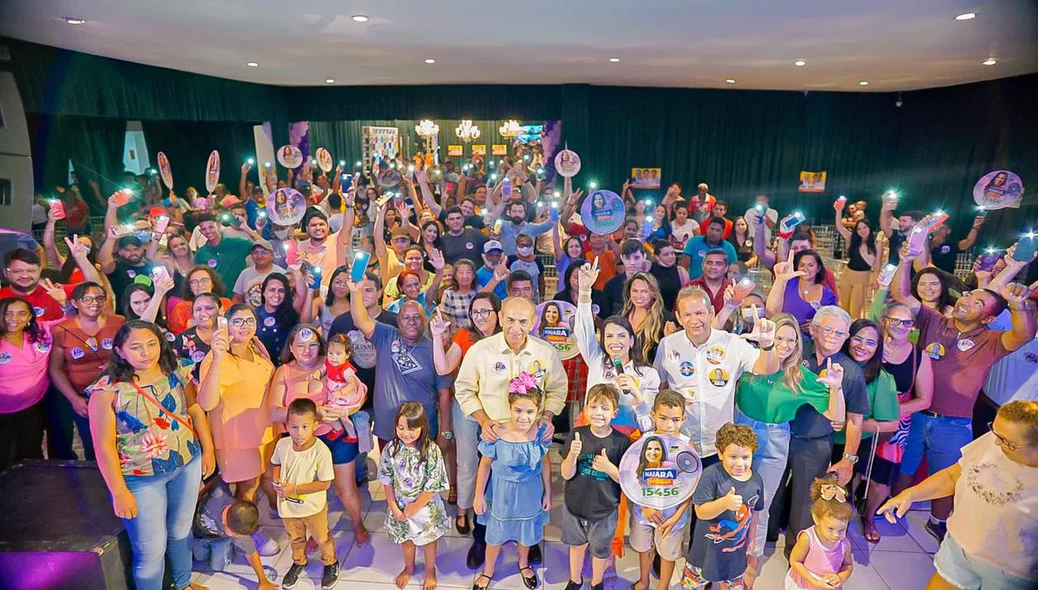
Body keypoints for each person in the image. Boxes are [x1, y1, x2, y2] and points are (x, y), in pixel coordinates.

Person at [890, 244, 1036, 542]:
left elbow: (1024, 334)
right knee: (904, 467)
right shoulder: (935, 320)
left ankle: (937, 521)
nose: (967, 300)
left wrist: (1018, 305)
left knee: (947, 476)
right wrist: (905, 260)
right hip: (916, 414)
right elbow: (903, 296)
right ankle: (895, 508)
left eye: (977, 302)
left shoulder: (992, 341)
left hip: (954, 423)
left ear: (987, 318)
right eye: (968, 295)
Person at [86, 320, 215, 590]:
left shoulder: (176, 369)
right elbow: (104, 446)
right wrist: (119, 492)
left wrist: (208, 450)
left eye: (152, 344)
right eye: (136, 347)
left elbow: (193, 409)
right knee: (150, 551)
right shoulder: (106, 390)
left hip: (186, 462)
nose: (146, 352)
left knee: (181, 531)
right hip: (140, 476)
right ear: (120, 351)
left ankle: (183, 583)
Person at [454, 296, 567, 569]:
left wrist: (547, 417)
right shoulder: (482, 351)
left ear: (534, 322)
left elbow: (558, 389)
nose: (516, 327)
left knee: (529, 490)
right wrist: (482, 420)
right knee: (489, 492)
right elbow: (464, 389)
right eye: (511, 320)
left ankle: (526, 543)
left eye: (524, 321)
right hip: (494, 434)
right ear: (500, 317)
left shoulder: (545, 352)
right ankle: (481, 540)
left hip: (529, 436)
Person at [878, 400, 1038, 590]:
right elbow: (953, 475)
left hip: (1011, 573)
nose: (996, 443)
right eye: (994, 432)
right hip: (959, 549)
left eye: (1007, 442)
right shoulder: (995, 441)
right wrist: (910, 494)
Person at [734, 313, 847, 561]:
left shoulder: (799, 376)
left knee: (760, 504)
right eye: (779, 338)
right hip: (740, 433)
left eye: (791, 340)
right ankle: (728, 551)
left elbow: (835, 414)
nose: (784, 345)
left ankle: (751, 557)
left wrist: (835, 387)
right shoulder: (750, 364)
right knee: (734, 499)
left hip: (773, 439)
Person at [776, 305, 868, 558]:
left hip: (815, 443)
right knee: (769, 490)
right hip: (778, 433)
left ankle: (797, 554)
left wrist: (848, 459)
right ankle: (764, 538)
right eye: (827, 329)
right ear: (813, 330)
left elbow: (855, 420)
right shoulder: (795, 348)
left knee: (806, 502)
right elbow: (777, 320)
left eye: (840, 333)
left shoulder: (850, 371)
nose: (833, 336)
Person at [268, 325, 370, 546]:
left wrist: (346, 409)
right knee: (312, 491)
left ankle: (356, 522)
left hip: (338, 437)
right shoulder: (283, 372)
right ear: (291, 348)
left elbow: (359, 392)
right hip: (304, 444)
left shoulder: (332, 362)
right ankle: (317, 529)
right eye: (301, 346)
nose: (307, 351)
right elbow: (273, 412)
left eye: (313, 345)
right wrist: (312, 415)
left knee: (345, 488)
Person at [654, 287, 779, 463]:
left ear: (711, 312)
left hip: (721, 445)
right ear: (679, 318)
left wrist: (767, 345)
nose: (694, 320)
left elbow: (767, 369)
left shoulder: (732, 343)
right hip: (679, 443)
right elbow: (660, 387)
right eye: (687, 315)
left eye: (699, 313)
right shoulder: (667, 345)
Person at [346, 279, 452, 450]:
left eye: (417, 317)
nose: (411, 321)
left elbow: (444, 394)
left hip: (422, 430)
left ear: (424, 321)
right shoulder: (386, 335)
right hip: (388, 428)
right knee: (390, 476)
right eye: (406, 317)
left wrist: (445, 431)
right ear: (398, 321)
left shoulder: (435, 349)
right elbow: (360, 320)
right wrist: (355, 291)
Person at [430, 293, 502, 534]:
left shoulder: (506, 338)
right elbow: (443, 367)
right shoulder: (464, 336)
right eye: (475, 312)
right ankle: (463, 510)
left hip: (499, 411)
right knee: (467, 462)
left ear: (498, 313)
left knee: (497, 461)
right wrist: (438, 337)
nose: (479, 317)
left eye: (485, 311)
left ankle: (491, 507)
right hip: (467, 408)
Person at [472, 380, 552, 590]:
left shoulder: (541, 433)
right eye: (518, 410)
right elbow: (485, 465)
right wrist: (478, 495)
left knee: (526, 533)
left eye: (530, 411)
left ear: (538, 411)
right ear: (509, 407)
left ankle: (523, 563)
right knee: (495, 534)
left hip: (531, 492)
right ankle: (488, 570)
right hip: (502, 494)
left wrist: (548, 494)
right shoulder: (497, 432)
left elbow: (545, 463)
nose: (523, 417)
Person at [198, 305, 276, 511]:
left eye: (249, 320)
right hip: (237, 438)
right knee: (247, 487)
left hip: (264, 432)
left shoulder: (256, 346)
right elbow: (206, 403)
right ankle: (248, 530)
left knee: (259, 479)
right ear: (226, 325)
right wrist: (217, 357)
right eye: (238, 321)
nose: (245, 326)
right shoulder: (218, 358)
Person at [575, 261, 661, 435]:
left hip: (626, 442)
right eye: (609, 336)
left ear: (631, 340)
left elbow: (647, 426)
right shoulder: (597, 361)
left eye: (621, 336)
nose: (615, 342)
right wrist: (584, 291)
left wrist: (637, 396)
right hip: (592, 437)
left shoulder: (648, 374)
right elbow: (583, 329)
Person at [835, 319, 902, 541]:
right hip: (822, 439)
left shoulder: (883, 378)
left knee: (845, 489)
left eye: (871, 342)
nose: (863, 346)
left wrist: (853, 424)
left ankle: (855, 523)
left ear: (878, 348)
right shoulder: (832, 365)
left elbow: (891, 424)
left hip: (856, 444)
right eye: (858, 339)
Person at [560, 384, 631, 590]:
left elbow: (625, 481)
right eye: (593, 407)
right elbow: (566, 474)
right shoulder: (577, 434)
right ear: (585, 409)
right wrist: (572, 455)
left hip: (605, 511)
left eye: (604, 408)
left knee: (600, 551)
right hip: (575, 506)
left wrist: (609, 468)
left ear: (614, 413)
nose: (598, 413)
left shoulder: (621, 442)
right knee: (577, 546)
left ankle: (596, 582)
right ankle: (575, 580)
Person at [682, 423, 765, 590]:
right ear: (720, 453)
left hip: (735, 555)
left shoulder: (756, 480)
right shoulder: (710, 475)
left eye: (745, 457)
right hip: (703, 552)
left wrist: (751, 541)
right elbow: (700, 512)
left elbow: (755, 513)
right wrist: (724, 503)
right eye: (733, 457)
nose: (740, 463)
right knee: (693, 585)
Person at [48, 282, 126, 461]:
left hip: (119, 394)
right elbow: (56, 369)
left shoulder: (118, 322)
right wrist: (74, 399)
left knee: (122, 443)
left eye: (99, 298)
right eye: (87, 299)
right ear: (75, 303)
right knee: (94, 446)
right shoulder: (62, 330)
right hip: (84, 399)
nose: (95, 303)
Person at [379, 401, 451, 590]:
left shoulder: (431, 450)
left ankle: (429, 570)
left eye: (412, 428)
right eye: (401, 427)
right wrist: (394, 507)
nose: (405, 433)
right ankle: (409, 567)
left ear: (422, 426)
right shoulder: (391, 449)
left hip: (424, 507)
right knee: (407, 540)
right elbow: (386, 479)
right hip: (401, 507)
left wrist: (415, 506)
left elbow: (433, 484)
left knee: (428, 541)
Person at [272, 398, 339, 590]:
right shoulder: (283, 445)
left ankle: (330, 563)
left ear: (315, 426)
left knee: (321, 537)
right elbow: (275, 463)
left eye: (304, 427)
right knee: (295, 538)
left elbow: (325, 483)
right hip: (288, 507)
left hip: (313, 508)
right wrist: (277, 480)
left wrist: (293, 489)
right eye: (294, 427)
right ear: (286, 425)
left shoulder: (321, 451)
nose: (299, 433)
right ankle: (299, 562)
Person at [628, 391, 691, 590]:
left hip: (673, 514)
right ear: (653, 415)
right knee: (643, 545)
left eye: (675, 419)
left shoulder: (688, 445)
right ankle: (644, 581)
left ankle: (663, 586)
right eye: (663, 418)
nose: (668, 425)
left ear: (683, 419)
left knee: (668, 552)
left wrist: (677, 515)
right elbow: (633, 477)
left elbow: (691, 485)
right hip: (644, 509)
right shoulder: (644, 440)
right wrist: (645, 506)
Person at [192, 481, 277, 589]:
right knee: (199, 558)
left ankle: (227, 546)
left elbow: (251, 553)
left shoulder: (238, 526)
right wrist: (200, 494)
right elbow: (218, 479)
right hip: (198, 531)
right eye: (235, 534)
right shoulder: (218, 494)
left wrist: (263, 580)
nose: (237, 536)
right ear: (224, 522)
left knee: (218, 566)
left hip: (218, 538)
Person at [785, 476, 854, 589]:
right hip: (805, 584)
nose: (837, 535)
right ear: (816, 518)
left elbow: (848, 565)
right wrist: (814, 582)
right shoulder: (808, 538)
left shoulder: (844, 543)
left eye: (842, 530)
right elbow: (795, 561)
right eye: (830, 529)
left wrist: (841, 578)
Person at [766, 250, 839, 332]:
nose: (805, 269)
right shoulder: (787, 283)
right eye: (802, 265)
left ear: (818, 268)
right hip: (783, 334)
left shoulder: (828, 294)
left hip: (812, 340)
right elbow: (770, 312)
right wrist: (780, 280)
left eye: (810, 265)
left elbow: (834, 320)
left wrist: (819, 324)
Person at [834, 199, 878, 319]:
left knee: (855, 310)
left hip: (862, 279)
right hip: (847, 276)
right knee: (844, 308)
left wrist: (875, 280)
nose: (862, 231)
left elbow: (877, 264)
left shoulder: (876, 244)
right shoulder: (851, 239)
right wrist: (838, 210)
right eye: (859, 229)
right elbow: (839, 226)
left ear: (869, 228)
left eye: (864, 228)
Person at [255, 272, 312, 363]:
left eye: (281, 291)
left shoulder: (291, 310)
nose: (276, 295)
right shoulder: (254, 314)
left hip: (289, 366)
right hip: (263, 366)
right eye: (272, 290)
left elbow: (302, 296)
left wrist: (296, 269)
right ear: (263, 292)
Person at [193, 214, 254, 293]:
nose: (208, 231)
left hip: (239, 296)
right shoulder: (201, 253)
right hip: (216, 298)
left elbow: (265, 246)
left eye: (211, 227)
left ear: (218, 225)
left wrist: (246, 228)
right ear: (200, 231)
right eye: (204, 229)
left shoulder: (236, 243)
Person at [168, 266, 233, 335]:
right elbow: (176, 337)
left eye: (204, 280)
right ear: (190, 287)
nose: (200, 285)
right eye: (194, 282)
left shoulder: (226, 303)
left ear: (213, 284)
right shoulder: (181, 308)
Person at [603, 240, 648, 316]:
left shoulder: (653, 283)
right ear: (622, 258)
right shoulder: (611, 285)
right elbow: (606, 315)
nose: (632, 263)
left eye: (636, 258)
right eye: (627, 258)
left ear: (644, 257)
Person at [649, 240, 691, 313]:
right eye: (666, 254)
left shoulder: (681, 272)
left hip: (673, 313)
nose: (671, 257)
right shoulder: (648, 269)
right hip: (652, 313)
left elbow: (686, 296)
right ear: (657, 257)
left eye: (672, 253)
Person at [438, 259, 479, 333]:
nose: (465, 276)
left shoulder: (479, 290)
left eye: (468, 272)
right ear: (455, 276)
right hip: (458, 335)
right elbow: (445, 318)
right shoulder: (449, 294)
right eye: (461, 272)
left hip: (478, 333)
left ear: (473, 276)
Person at [690, 249, 733, 314]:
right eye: (709, 263)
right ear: (702, 266)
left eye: (719, 264)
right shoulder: (689, 287)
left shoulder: (733, 289)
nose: (713, 267)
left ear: (726, 268)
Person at [507, 234, 545, 303]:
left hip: (533, 300)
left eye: (528, 245)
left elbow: (541, 281)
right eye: (522, 245)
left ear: (532, 246)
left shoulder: (537, 261)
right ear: (516, 246)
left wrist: (542, 298)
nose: (525, 248)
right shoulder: (510, 260)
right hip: (514, 299)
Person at [316, 266, 351, 335]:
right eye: (338, 282)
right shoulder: (322, 302)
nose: (341, 287)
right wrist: (310, 291)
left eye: (347, 284)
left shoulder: (356, 306)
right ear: (332, 281)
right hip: (326, 344)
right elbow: (305, 321)